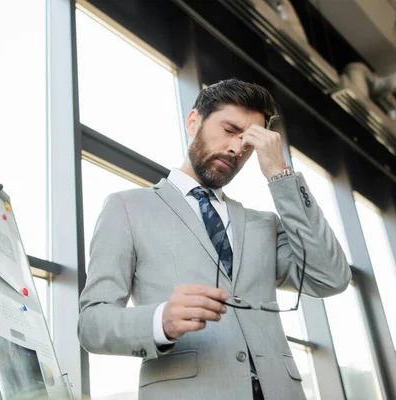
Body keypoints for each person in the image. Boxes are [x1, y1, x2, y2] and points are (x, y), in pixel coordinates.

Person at [77, 79, 351, 400]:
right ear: (193, 121)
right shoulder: (127, 207)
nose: (237, 149)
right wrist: (160, 320)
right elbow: (92, 324)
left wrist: (280, 174)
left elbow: (330, 278)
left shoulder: (263, 223)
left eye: (249, 143)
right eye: (230, 130)